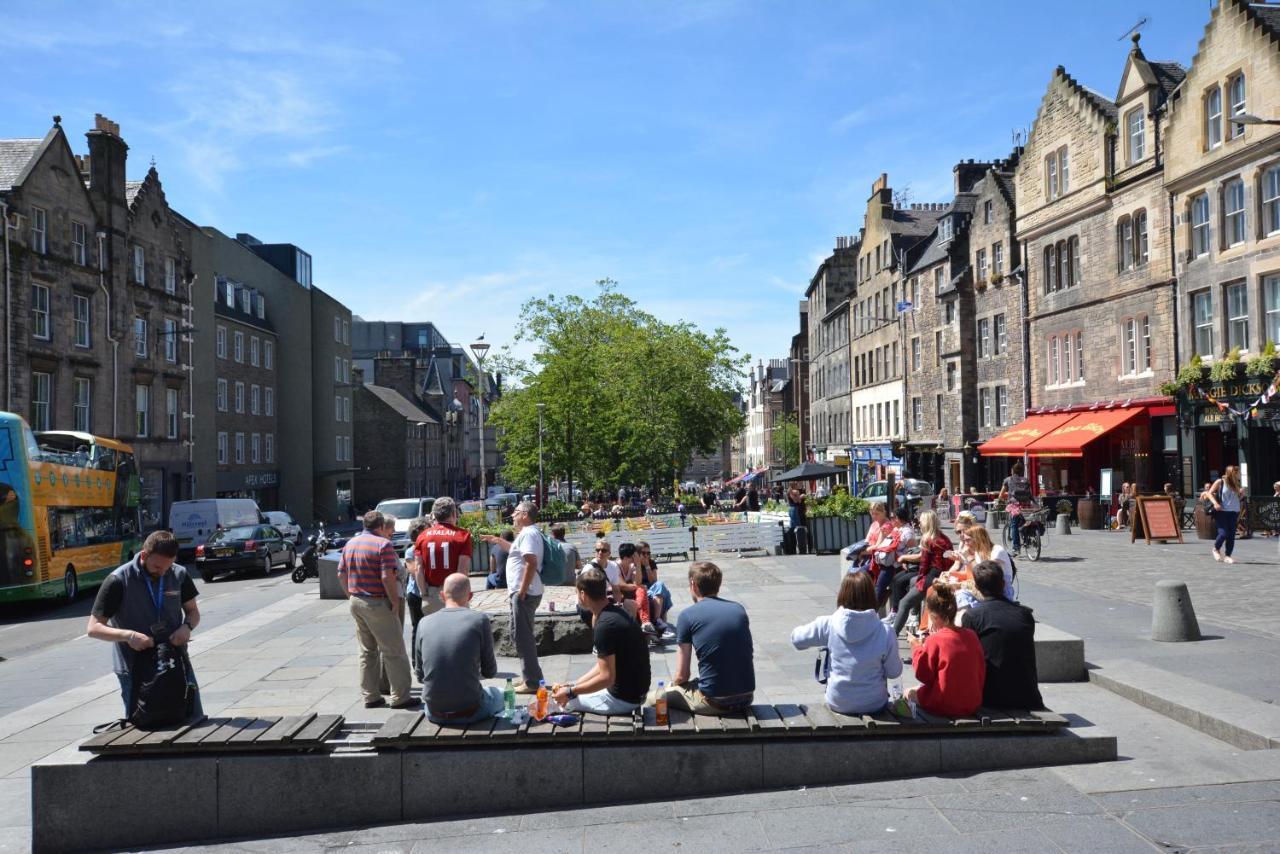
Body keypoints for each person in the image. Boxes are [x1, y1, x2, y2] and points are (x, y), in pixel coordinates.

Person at [87, 530, 203, 717]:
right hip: (135, 668)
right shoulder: (118, 580)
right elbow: (93, 628)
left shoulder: (179, 574)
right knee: (145, 728)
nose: (163, 572)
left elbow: (193, 612)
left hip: (175, 661)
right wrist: (129, 636)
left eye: (168, 567)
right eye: (158, 567)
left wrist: (186, 627)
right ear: (144, 555)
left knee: (192, 718)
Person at [337, 510, 418, 709]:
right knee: (394, 650)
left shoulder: (351, 543)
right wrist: (395, 602)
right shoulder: (383, 545)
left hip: (357, 601)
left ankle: (370, 696)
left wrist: (351, 596)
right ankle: (400, 697)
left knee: (366, 651)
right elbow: (386, 577)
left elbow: (341, 573)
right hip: (378, 602)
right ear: (381, 527)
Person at [791, 571, 902, 716]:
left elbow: (796, 639)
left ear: (842, 594)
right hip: (874, 703)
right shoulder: (886, 632)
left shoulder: (828, 624)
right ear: (871, 595)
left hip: (838, 702)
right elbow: (894, 672)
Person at [658, 561, 755, 714]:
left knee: (657, 697)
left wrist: (672, 686)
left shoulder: (687, 616)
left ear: (693, 585)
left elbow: (682, 675)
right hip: (747, 696)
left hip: (714, 701)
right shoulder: (738, 609)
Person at [552, 566, 651, 715]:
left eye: (577, 593)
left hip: (622, 700)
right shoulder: (615, 612)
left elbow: (606, 678)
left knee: (561, 703)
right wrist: (574, 685)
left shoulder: (604, 626)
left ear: (583, 594)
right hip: (634, 693)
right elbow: (603, 666)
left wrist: (570, 692)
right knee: (572, 693)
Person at [416, 573, 504, 724]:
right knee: (501, 693)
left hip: (434, 712)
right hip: (470, 710)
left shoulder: (423, 622)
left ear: (442, 596)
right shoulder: (480, 619)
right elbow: (490, 672)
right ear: (469, 596)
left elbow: (420, 675)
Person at [962, 561, 1044, 710]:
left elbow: (968, 659)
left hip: (990, 697)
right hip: (1028, 695)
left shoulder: (972, 616)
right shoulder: (1025, 614)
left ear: (977, 587)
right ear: (1004, 583)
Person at [481, 501, 544, 693]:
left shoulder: (528, 534)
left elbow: (530, 563)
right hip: (523, 592)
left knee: (523, 637)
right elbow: (518, 553)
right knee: (519, 634)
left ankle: (533, 682)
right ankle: (531, 679)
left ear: (525, 514)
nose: (513, 516)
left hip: (524, 593)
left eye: (516, 512)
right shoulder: (527, 534)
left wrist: (522, 591)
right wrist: (498, 541)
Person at [907, 582, 985, 718]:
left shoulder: (935, 639)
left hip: (944, 703)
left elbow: (923, 674)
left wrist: (916, 647)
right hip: (972, 701)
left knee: (908, 692)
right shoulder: (971, 635)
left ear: (934, 617)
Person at [411, 498, 473, 670]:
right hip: (454, 595)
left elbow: (418, 569)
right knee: (457, 637)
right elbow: (463, 571)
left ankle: (431, 670)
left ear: (435, 515)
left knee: (432, 637)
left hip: (431, 592)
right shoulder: (463, 536)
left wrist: (424, 593)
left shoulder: (422, 536)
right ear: (453, 514)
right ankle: (456, 670)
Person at [892, 510, 952, 636]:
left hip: (932, 576)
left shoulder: (928, 540)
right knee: (913, 582)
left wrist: (920, 583)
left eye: (920, 522)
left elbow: (923, 567)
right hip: (943, 575)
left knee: (904, 602)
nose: (918, 524)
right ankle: (915, 617)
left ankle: (892, 635)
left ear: (926, 523)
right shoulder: (945, 539)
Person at [402, 516, 430, 680]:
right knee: (418, 630)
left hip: (428, 593)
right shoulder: (411, 551)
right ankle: (417, 666)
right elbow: (414, 569)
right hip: (416, 594)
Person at [1205, 465, 1245, 564]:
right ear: (1232, 473)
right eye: (1237, 473)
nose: (1239, 475)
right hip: (1222, 511)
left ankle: (1228, 555)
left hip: (1234, 511)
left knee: (1231, 535)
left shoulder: (1237, 484)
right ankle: (1216, 548)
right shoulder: (1220, 482)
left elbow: (1236, 499)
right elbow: (1209, 493)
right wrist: (1215, 503)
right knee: (1223, 533)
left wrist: (1241, 494)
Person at [617, 543, 655, 635]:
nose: (636, 558)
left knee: (641, 589)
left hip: (629, 592)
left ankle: (645, 622)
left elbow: (637, 582)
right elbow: (622, 585)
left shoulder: (632, 566)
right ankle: (638, 608)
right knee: (641, 588)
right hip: (619, 594)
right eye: (634, 556)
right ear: (626, 558)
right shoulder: (615, 566)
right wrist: (637, 586)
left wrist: (638, 564)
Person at [998, 462, 1034, 556]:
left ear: (1012, 471)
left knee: (1014, 525)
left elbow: (1001, 494)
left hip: (1015, 506)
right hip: (1026, 506)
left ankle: (1016, 548)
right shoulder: (1026, 480)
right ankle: (1028, 539)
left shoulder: (1008, 479)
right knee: (1025, 522)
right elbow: (1030, 494)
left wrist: (999, 500)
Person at [637, 541, 672, 632]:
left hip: (652, 588)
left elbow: (653, 581)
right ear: (638, 553)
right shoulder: (635, 564)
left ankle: (657, 621)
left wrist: (647, 566)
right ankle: (661, 624)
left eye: (648, 553)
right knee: (663, 592)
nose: (646, 556)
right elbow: (637, 582)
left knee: (660, 587)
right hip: (641, 589)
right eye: (643, 553)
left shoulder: (651, 563)